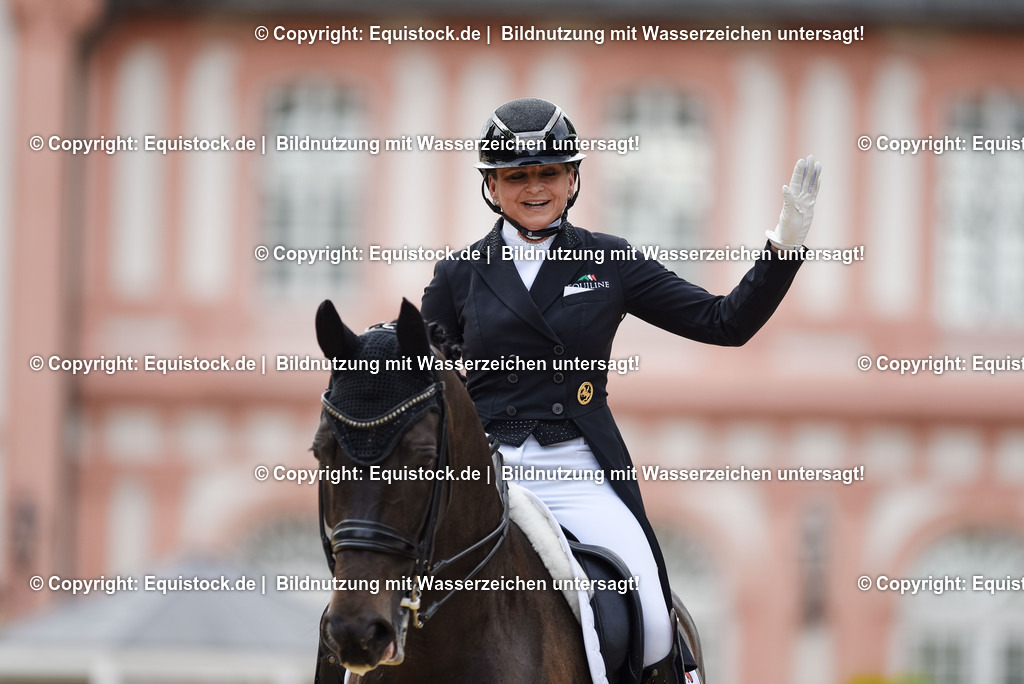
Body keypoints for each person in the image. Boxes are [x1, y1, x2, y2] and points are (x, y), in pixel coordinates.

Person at [421, 97, 820, 684]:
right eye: (517, 176)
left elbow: (724, 323)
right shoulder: (459, 273)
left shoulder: (608, 261)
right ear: (493, 187)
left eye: (549, 173)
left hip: (576, 467)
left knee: (655, 620)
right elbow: (428, 372)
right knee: (374, 595)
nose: (535, 188)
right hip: (488, 470)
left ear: (572, 179)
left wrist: (784, 247)